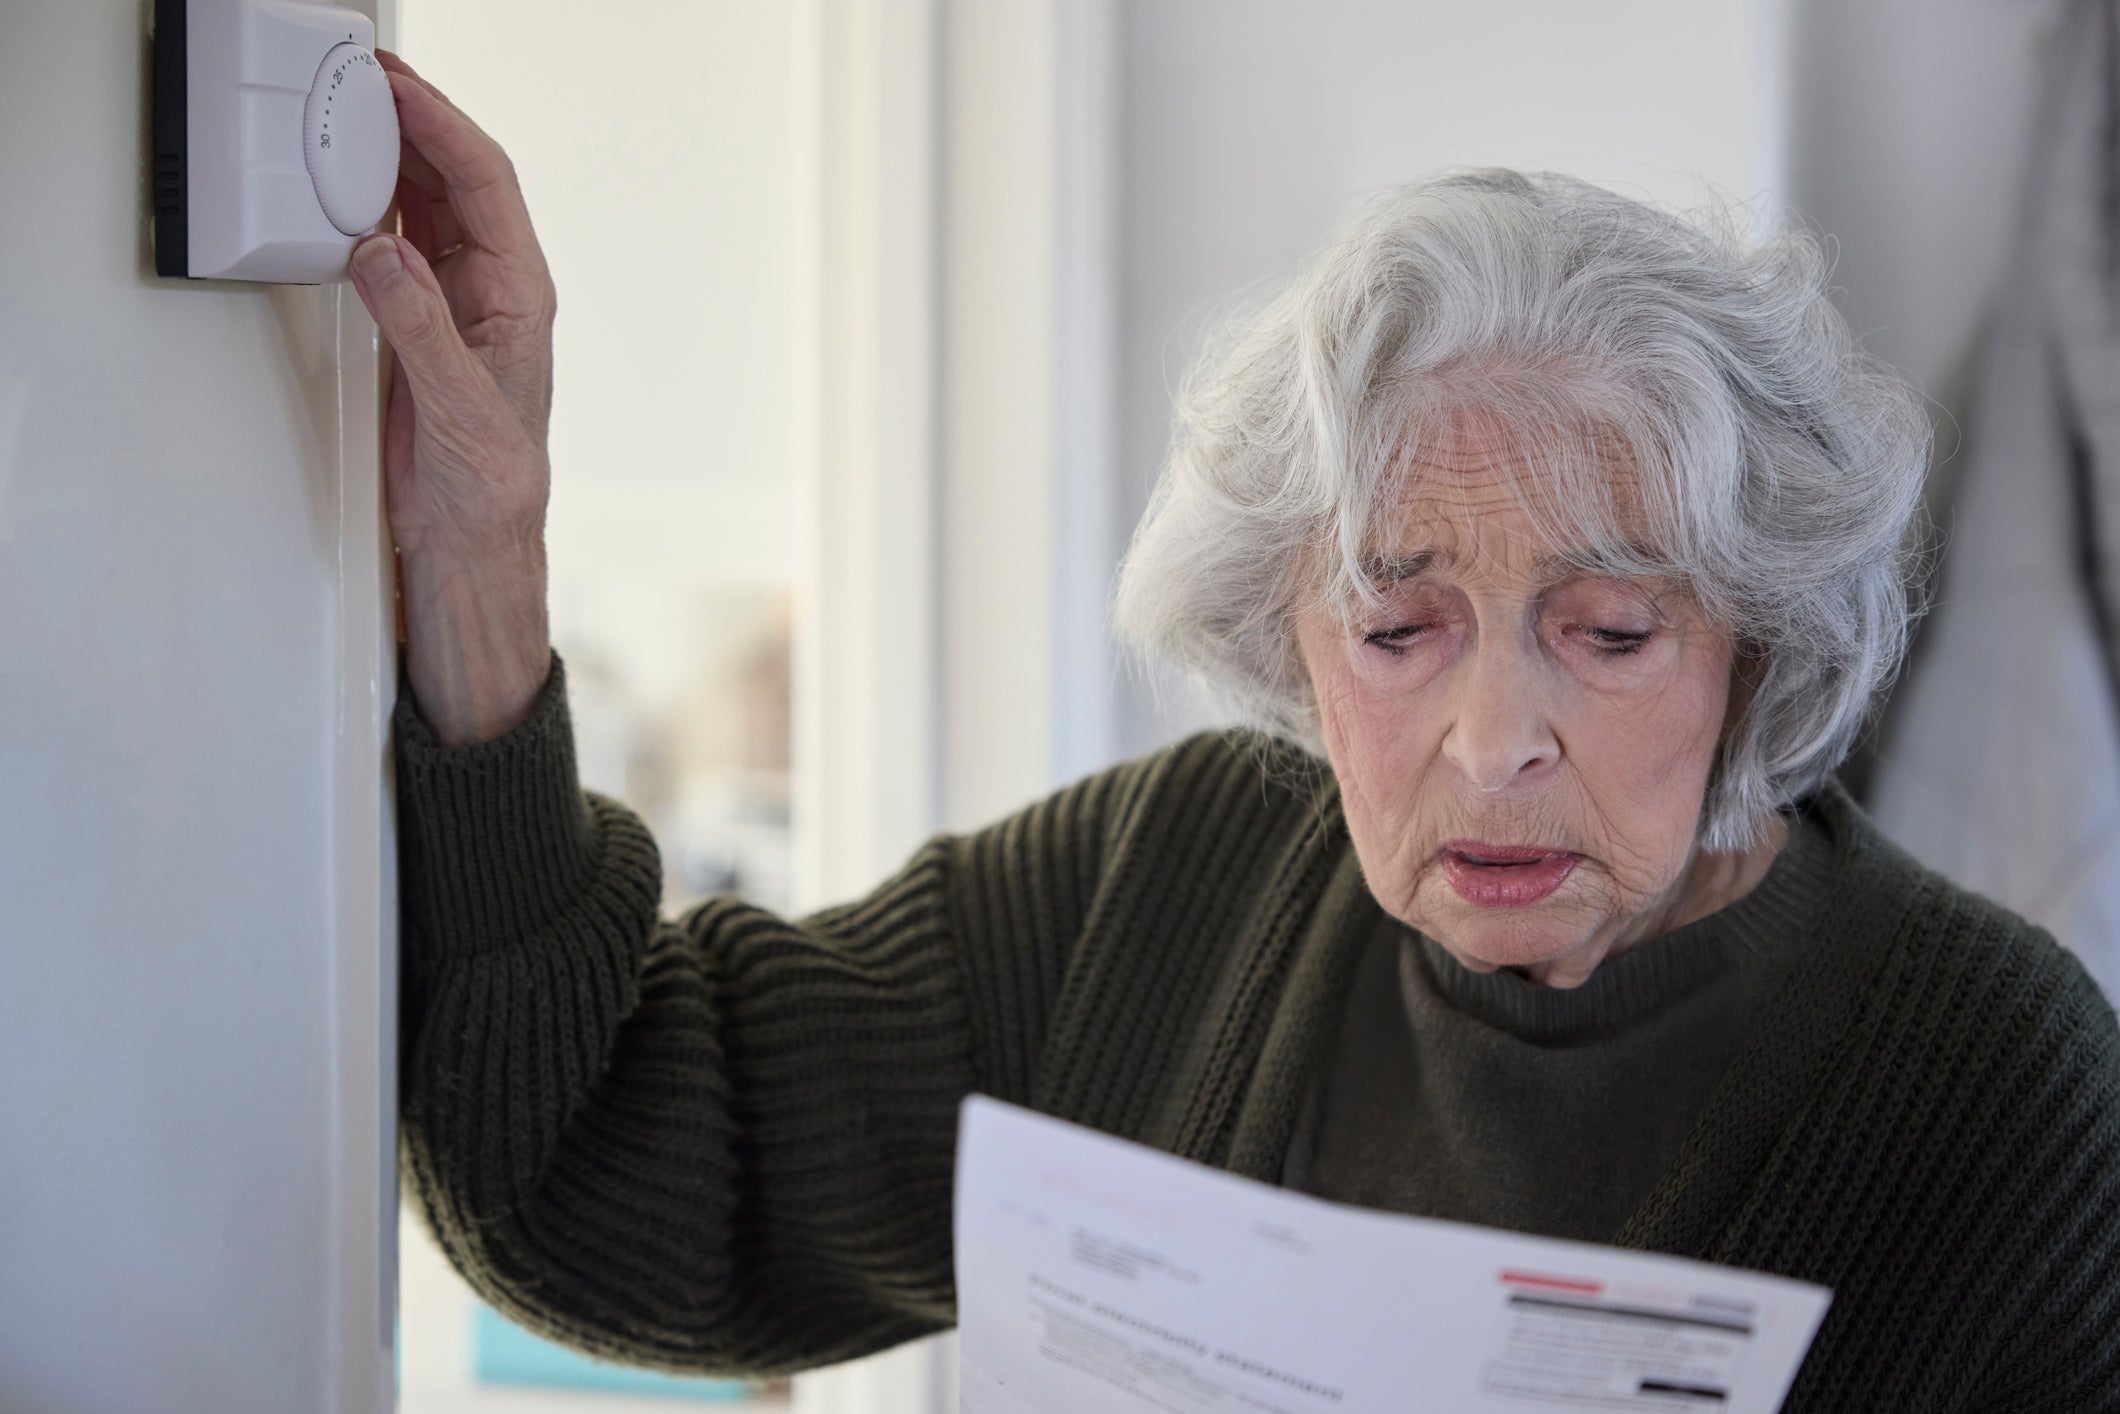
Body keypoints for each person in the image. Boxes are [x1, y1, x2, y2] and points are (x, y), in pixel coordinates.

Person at [357, 50, 2120, 1412]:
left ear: (1755, 637)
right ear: (1285, 640)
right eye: (1397, 627)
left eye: (1609, 628)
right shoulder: (1174, 883)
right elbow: (581, 1168)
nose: (1494, 736)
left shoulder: (1994, 1087)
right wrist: (484, 560)